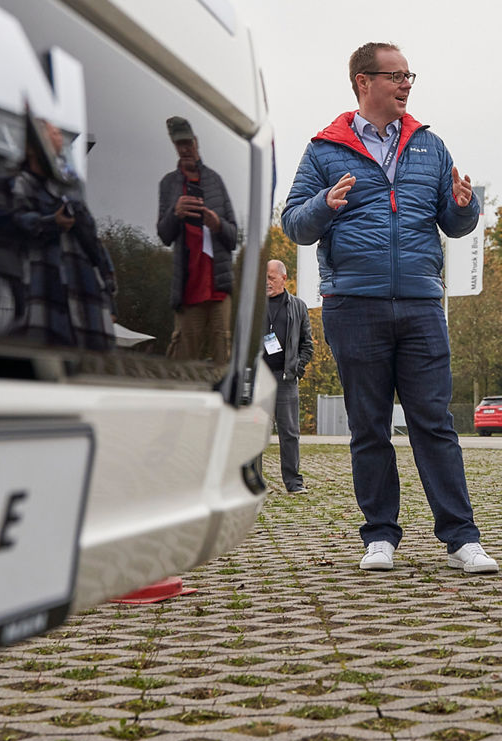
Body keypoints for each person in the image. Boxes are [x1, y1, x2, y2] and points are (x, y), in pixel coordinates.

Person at [282, 41, 497, 574]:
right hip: (354, 305)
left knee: (435, 423)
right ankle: (379, 536)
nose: (406, 85)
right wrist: (324, 203)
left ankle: (462, 539)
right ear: (364, 81)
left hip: (422, 305)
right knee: (369, 426)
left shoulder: (430, 146)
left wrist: (465, 207)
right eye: (396, 75)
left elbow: (454, 224)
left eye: (409, 76)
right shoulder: (323, 150)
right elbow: (294, 224)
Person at [0, 121, 116, 350]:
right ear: (30, 147)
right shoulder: (4, 188)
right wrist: (45, 223)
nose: (58, 135)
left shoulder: (71, 198)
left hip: (84, 336)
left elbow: (95, 250)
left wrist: (109, 299)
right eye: (50, 131)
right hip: (33, 333)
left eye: (58, 132)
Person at [157, 116, 237, 365]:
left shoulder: (215, 180)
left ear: (196, 142)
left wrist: (217, 223)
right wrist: (176, 213)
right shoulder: (169, 184)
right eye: (179, 144)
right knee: (181, 362)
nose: (185, 149)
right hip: (188, 290)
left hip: (219, 289)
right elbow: (163, 235)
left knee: (223, 360)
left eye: (188, 143)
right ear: (174, 145)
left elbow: (234, 237)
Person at [265, 259, 314, 493]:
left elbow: (307, 345)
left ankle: (294, 483)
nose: (267, 282)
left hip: (285, 379)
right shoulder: (253, 305)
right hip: (258, 380)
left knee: (290, 433)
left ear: (284, 278)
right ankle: (252, 483)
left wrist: (296, 369)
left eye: (271, 278)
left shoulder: (298, 306)